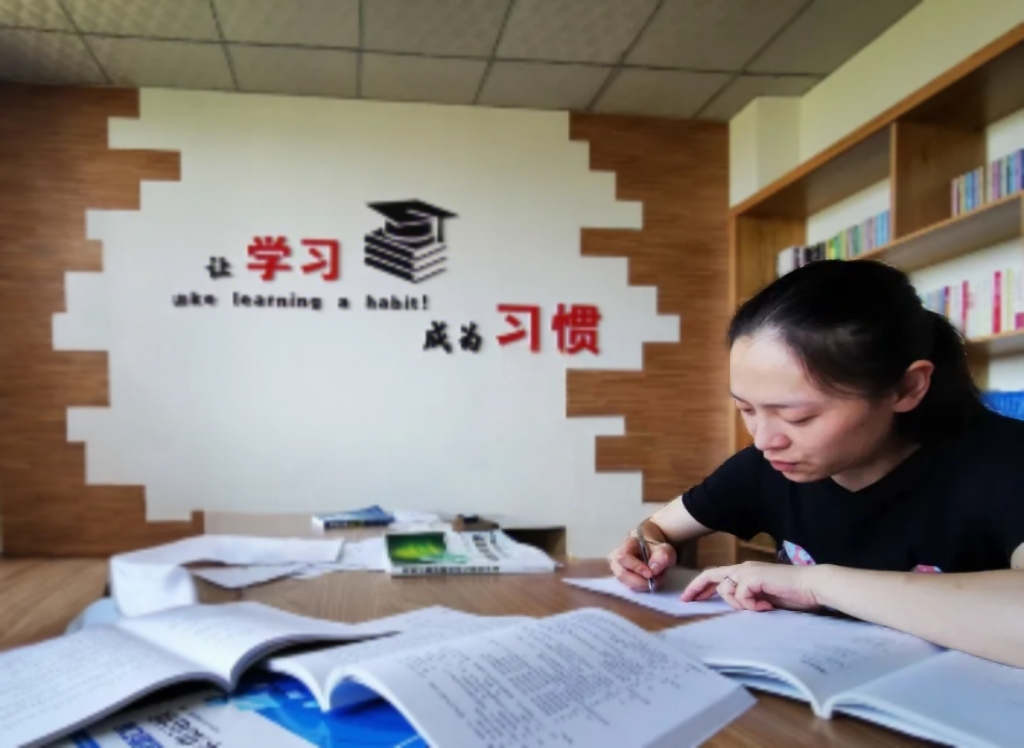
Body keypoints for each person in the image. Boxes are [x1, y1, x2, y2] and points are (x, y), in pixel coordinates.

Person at [608, 259, 1024, 668]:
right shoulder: (767, 465)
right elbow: (657, 528)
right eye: (746, 409)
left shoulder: (1003, 462)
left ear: (906, 388)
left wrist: (814, 584)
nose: (764, 440)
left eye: (798, 417)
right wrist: (644, 545)